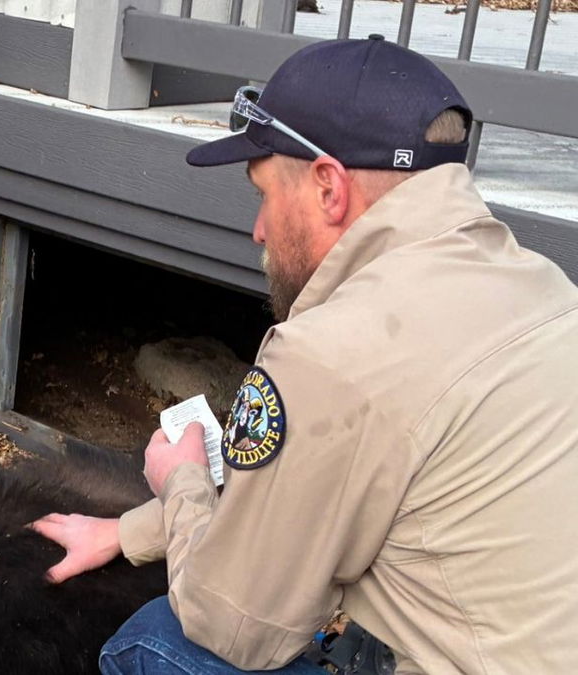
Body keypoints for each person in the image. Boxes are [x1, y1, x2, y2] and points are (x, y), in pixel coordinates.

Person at [33, 35, 578, 674]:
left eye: (264, 193)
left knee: (154, 642)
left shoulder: (334, 352)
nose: (258, 229)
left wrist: (178, 480)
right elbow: (306, 487)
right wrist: (122, 534)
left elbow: (232, 625)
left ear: (327, 188)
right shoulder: (546, 288)